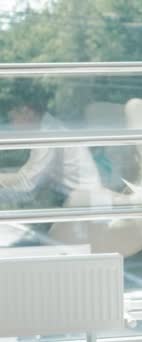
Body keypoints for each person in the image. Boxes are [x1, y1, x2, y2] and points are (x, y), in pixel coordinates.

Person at [0, 79, 102, 245]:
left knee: (14, 245)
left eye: (13, 118)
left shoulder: (48, 136)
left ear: (27, 112)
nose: (12, 125)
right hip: (73, 208)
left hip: (82, 216)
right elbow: (26, 175)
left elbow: (27, 188)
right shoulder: (48, 130)